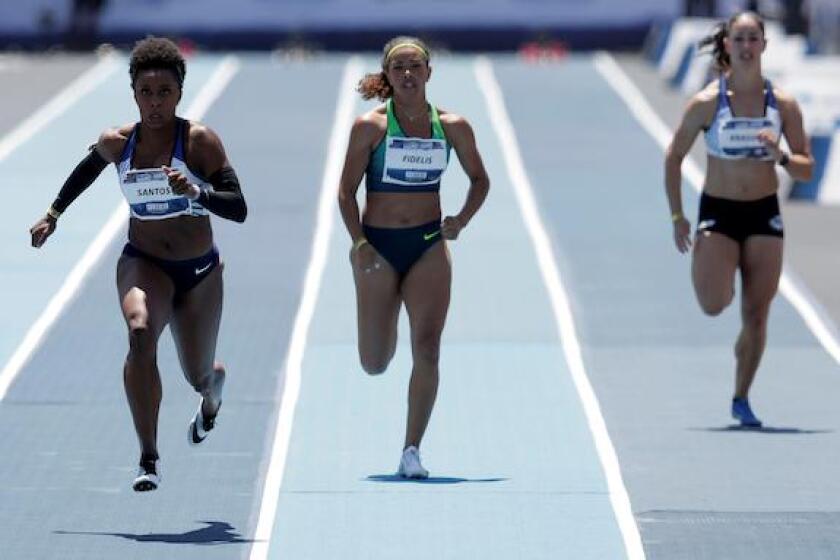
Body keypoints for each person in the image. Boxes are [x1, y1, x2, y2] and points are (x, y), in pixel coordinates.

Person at [29, 37, 247, 491]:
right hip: (144, 262)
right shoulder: (118, 143)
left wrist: (197, 192)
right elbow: (85, 171)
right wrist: (52, 214)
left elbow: (239, 206)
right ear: (133, 94)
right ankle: (149, 457)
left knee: (197, 374)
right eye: (146, 93)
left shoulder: (199, 141)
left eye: (164, 93)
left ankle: (211, 395)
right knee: (140, 331)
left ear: (179, 94)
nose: (155, 103)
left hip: (200, 273)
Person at [337, 36, 489, 477]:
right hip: (378, 248)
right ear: (387, 75)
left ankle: (411, 450)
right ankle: (381, 322)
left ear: (428, 72)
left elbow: (480, 180)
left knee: (428, 346)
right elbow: (346, 193)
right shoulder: (370, 128)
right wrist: (359, 241)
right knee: (374, 362)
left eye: (414, 66)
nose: (407, 74)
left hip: (428, 246)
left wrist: (460, 220)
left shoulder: (453, 126)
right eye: (398, 67)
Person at [665, 11, 813, 427]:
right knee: (714, 304)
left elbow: (806, 168)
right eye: (739, 38)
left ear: (764, 45)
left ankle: (741, 396)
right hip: (719, 210)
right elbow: (674, 156)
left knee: (758, 313)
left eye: (754, 39)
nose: (747, 46)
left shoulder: (782, 105)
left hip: (764, 212)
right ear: (727, 44)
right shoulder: (708, 103)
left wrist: (780, 155)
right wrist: (677, 215)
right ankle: (740, 333)